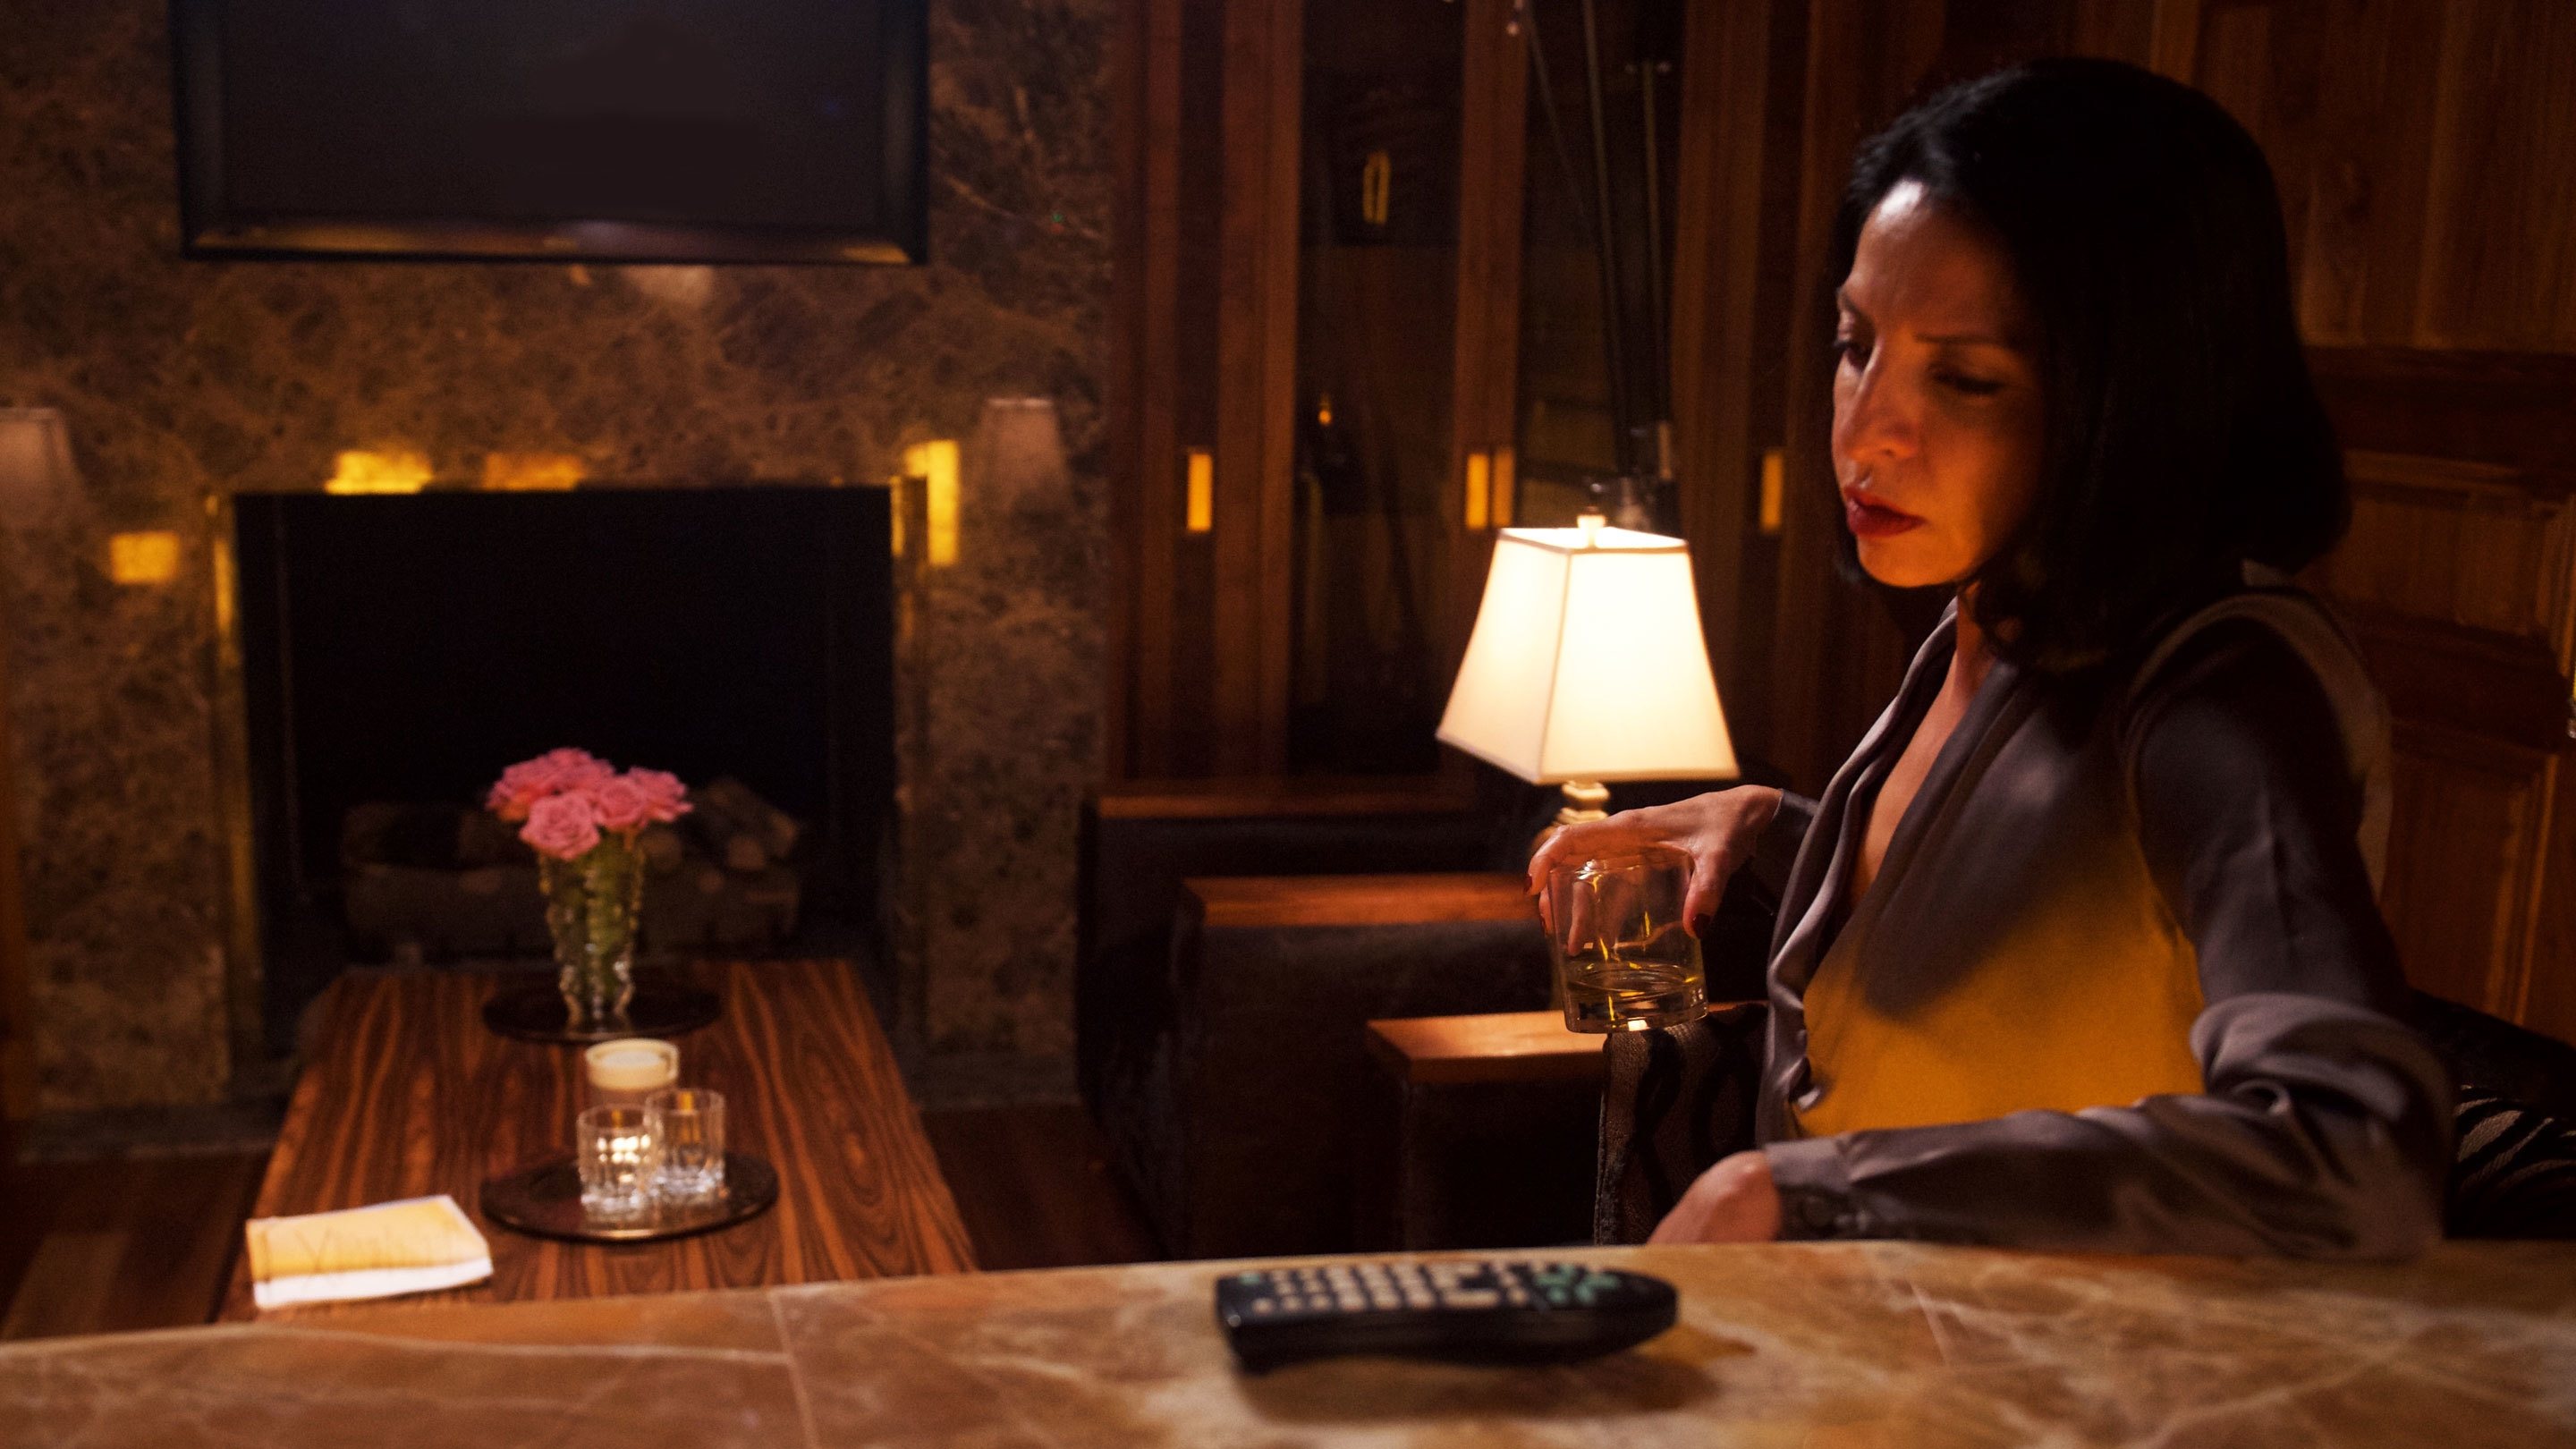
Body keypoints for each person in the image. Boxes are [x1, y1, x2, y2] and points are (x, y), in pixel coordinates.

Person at [1528, 58, 2452, 1258]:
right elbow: (2048, 898)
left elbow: (2354, 1151)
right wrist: (1777, 825)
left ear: (2135, 396)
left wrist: (1813, 1194)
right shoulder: (1995, 619)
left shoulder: (2220, 702)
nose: (1865, 432)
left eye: (1964, 379)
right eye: (1856, 345)